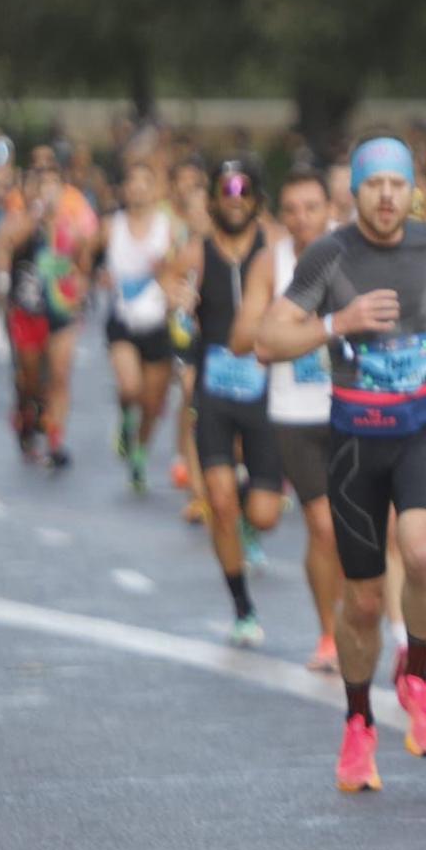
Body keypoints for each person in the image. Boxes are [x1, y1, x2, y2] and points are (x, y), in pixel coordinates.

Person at [255, 135, 426, 793]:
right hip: (355, 440)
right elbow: (267, 338)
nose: (385, 195)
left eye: (396, 184)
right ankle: (358, 723)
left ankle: (419, 672)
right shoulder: (331, 253)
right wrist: (336, 322)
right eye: (373, 183)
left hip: (424, 428)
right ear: (355, 191)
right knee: (364, 601)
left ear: (412, 190)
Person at [160, 159, 283, 646]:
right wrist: (179, 310)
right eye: (226, 189)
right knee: (220, 501)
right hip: (215, 387)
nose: (235, 197)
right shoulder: (195, 253)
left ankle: (254, 526)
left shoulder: (273, 250)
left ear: (256, 199)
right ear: (212, 200)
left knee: (266, 513)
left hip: (266, 388)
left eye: (244, 189)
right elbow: (173, 310)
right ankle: (242, 606)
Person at [231, 168, 341, 673]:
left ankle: (378, 624)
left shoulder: (353, 254)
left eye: (311, 208)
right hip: (294, 414)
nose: (302, 219)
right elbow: (244, 338)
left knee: (367, 530)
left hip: (356, 405)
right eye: (292, 210)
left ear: (329, 210)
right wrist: (286, 318)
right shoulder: (269, 264)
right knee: (322, 526)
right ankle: (327, 634)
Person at [0, 154, 98, 468]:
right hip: (27, 310)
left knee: (58, 375)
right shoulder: (20, 219)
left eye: (54, 183)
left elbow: (83, 261)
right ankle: (27, 412)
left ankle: (55, 440)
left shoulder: (71, 224)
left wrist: (82, 281)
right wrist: (37, 214)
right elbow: (7, 244)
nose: (48, 189)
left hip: (62, 312)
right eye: (42, 183)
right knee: (30, 379)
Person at [102, 160, 177, 492]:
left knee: (152, 403)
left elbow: (184, 266)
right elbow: (83, 256)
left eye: (145, 182)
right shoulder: (111, 226)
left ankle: (140, 453)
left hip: (158, 322)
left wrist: (168, 273)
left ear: (155, 189)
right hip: (122, 320)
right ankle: (124, 420)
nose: (138, 188)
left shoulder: (168, 227)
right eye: (132, 182)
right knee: (130, 388)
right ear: (124, 189)